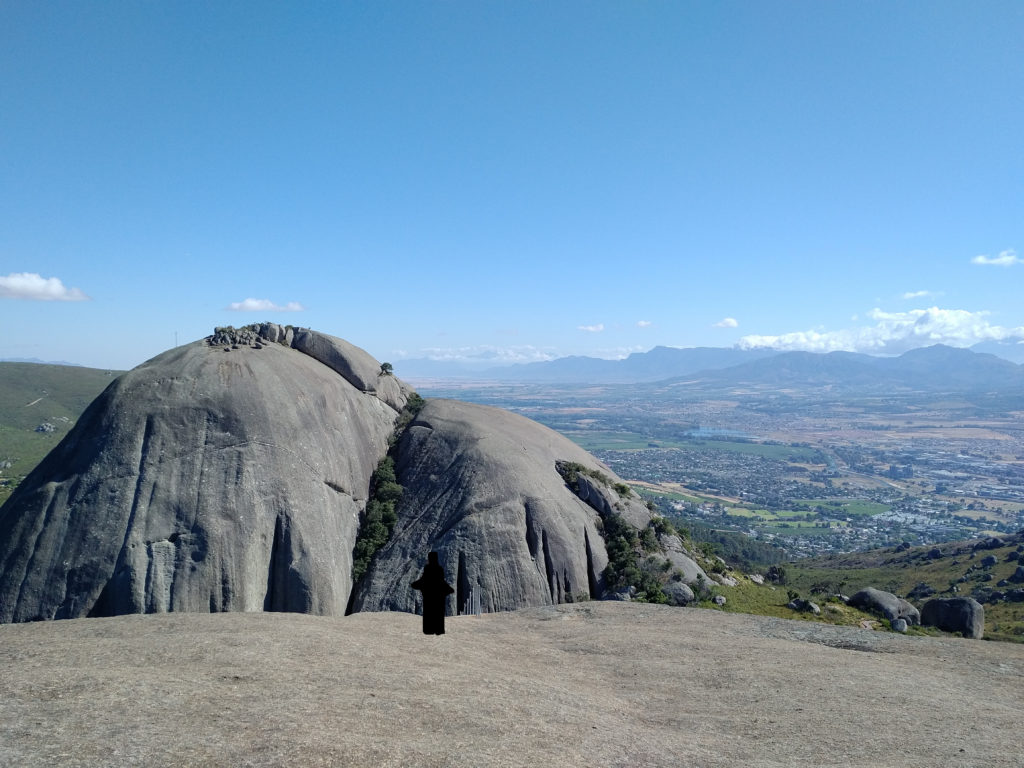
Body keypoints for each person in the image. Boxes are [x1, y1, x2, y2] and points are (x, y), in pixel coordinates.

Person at [411, 551, 454, 635]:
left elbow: (424, 580)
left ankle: (428, 630)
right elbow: (442, 581)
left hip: (429, 595)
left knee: (429, 613)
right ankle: (439, 630)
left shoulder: (427, 568)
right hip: (438, 595)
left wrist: (415, 584)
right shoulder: (439, 569)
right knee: (438, 613)